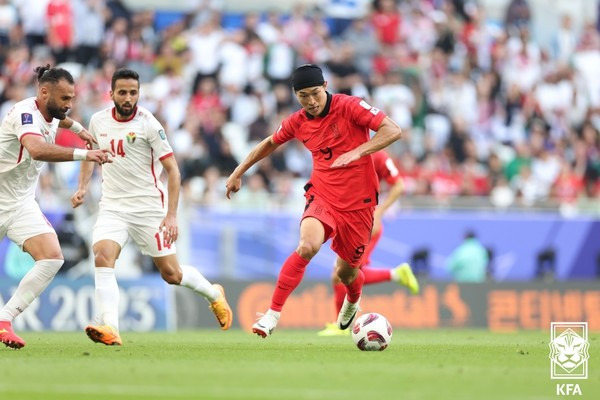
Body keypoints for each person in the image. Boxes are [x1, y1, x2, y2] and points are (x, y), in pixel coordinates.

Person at [226, 64, 403, 338]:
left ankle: (353, 301)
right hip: (323, 194)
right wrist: (239, 172)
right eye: (303, 96)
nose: (310, 101)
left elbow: (393, 130)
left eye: (315, 93)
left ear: (326, 86)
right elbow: (270, 143)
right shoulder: (298, 121)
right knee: (307, 246)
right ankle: (271, 315)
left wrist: (358, 151)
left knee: (347, 273)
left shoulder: (349, 106)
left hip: (359, 204)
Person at [71, 68, 232, 346]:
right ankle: (110, 325)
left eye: (133, 92)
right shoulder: (97, 121)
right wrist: (83, 187)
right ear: (111, 94)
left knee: (172, 274)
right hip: (112, 206)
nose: (128, 97)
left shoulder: (149, 124)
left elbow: (173, 170)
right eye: (122, 92)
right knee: (102, 256)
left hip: (148, 209)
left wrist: (171, 216)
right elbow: (90, 153)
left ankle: (214, 294)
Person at [0, 65, 112, 349]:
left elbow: (59, 121)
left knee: (52, 257)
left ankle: (4, 319)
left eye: (71, 98)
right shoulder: (24, 114)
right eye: (64, 98)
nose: (69, 104)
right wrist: (86, 153)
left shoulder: (50, 113)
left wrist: (79, 128)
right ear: (44, 92)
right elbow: (36, 149)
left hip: (21, 204)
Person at [318, 150, 419, 336]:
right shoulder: (344, 150)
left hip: (365, 223)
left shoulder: (378, 155)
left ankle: (341, 326)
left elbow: (398, 185)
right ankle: (397, 274)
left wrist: (379, 213)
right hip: (349, 221)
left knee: (340, 274)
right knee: (347, 273)